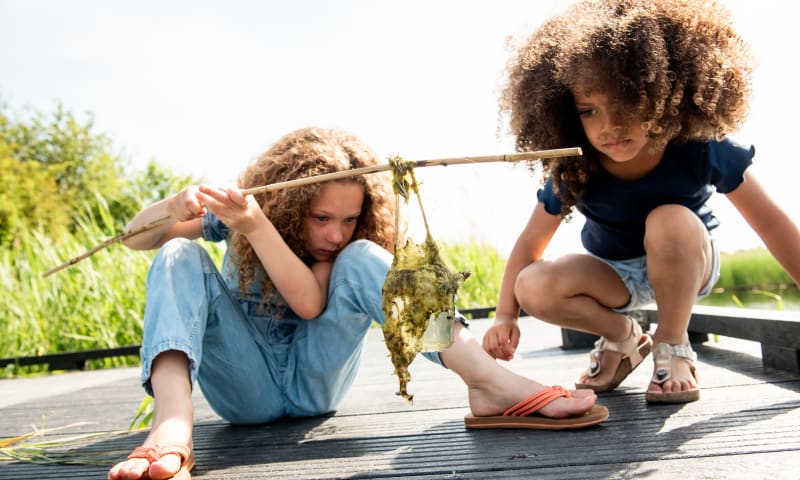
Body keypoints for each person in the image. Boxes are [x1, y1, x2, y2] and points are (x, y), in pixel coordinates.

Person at [108, 127, 605, 480]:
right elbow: (134, 241)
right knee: (176, 252)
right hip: (247, 392)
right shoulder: (241, 221)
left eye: (348, 219)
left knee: (367, 257)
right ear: (289, 206)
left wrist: (258, 226)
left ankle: (487, 380)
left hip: (313, 384)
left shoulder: (340, 248)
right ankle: (172, 423)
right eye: (322, 218)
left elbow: (308, 304)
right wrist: (170, 209)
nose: (335, 233)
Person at [483, 0, 800, 405]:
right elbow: (529, 247)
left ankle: (672, 342)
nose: (609, 126)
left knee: (669, 221)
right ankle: (622, 337)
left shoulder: (700, 147)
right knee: (532, 285)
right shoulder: (574, 167)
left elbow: (771, 224)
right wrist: (505, 315)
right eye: (589, 111)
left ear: (664, 93)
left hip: (687, 262)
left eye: (626, 104)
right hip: (614, 276)